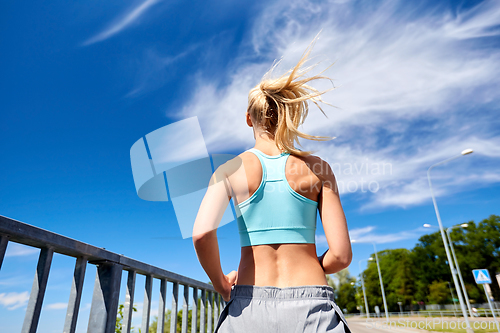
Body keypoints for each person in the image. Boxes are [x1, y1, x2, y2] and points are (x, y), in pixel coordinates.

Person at [192, 42, 352, 333]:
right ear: (288, 116)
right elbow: (341, 256)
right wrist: (311, 264)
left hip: (249, 304)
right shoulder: (318, 168)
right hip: (312, 305)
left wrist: (221, 284)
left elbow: (202, 234)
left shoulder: (228, 170)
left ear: (248, 119)